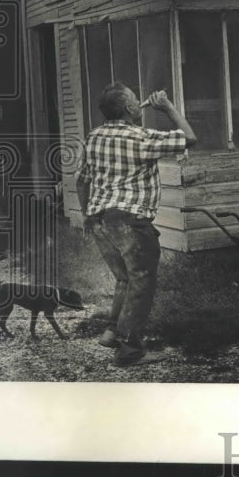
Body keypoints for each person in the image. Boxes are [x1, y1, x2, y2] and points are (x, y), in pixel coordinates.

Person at [77, 82, 197, 367]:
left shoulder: (92, 137)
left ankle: (111, 333)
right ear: (131, 109)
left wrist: (87, 215)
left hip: (101, 221)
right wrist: (167, 107)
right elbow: (190, 138)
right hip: (131, 222)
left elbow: (82, 180)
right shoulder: (141, 137)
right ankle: (130, 351)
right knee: (142, 282)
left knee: (125, 278)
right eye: (135, 98)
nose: (139, 100)